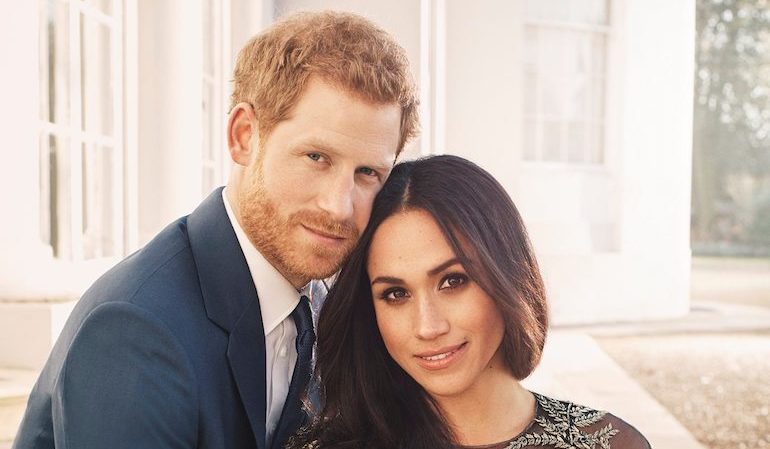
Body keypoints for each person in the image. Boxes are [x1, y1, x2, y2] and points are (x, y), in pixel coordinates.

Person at [13, 11, 418, 449]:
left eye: (367, 173)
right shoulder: (135, 330)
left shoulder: (321, 303)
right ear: (244, 135)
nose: (339, 205)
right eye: (316, 157)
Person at [287, 155, 651, 449]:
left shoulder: (611, 444)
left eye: (453, 281)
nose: (428, 326)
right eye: (396, 294)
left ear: (506, 275)